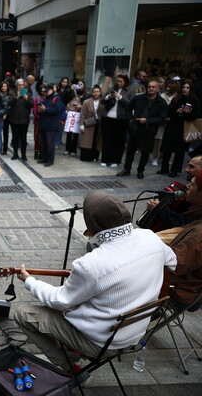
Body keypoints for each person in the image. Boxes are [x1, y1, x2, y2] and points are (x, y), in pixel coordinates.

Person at [13, 191, 177, 377]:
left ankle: (73, 370)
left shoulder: (92, 264)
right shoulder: (149, 237)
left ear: (91, 223)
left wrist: (29, 281)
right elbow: (172, 263)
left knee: (23, 314)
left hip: (101, 343)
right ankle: (70, 350)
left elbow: (59, 300)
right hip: (135, 332)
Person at [117, 81, 168, 179]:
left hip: (149, 130)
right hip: (135, 127)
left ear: (158, 89)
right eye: (149, 87)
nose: (151, 88)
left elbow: (162, 118)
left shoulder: (161, 102)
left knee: (145, 152)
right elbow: (128, 109)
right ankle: (126, 169)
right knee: (131, 150)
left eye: (153, 87)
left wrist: (147, 120)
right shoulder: (138, 98)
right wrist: (131, 120)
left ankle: (140, 171)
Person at [168, 170, 202, 311]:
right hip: (186, 287)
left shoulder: (199, 235)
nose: (187, 187)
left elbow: (173, 265)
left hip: (178, 292)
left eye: (192, 185)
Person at [159, 82, 201, 177]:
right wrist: (176, 111)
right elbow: (169, 111)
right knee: (167, 148)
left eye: (187, 88)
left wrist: (187, 113)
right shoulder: (176, 98)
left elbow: (196, 115)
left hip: (184, 127)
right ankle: (164, 168)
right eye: (183, 87)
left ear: (191, 89)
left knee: (179, 150)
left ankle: (175, 170)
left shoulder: (194, 101)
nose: (185, 89)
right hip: (172, 125)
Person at [100, 75, 131, 167]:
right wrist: (108, 97)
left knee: (118, 141)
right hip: (108, 118)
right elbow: (102, 101)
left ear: (125, 82)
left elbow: (130, 104)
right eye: (117, 81)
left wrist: (120, 97)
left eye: (121, 81)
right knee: (106, 139)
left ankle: (115, 160)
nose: (119, 83)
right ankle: (105, 159)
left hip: (121, 120)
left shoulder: (129, 91)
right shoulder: (111, 89)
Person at [36, 85, 65, 167]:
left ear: (52, 90)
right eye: (44, 91)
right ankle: (44, 158)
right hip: (43, 124)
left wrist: (45, 109)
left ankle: (50, 160)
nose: (45, 93)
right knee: (43, 143)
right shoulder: (45, 99)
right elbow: (40, 110)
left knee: (50, 144)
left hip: (51, 126)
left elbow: (57, 110)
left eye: (47, 91)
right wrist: (39, 110)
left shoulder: (57, 99)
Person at [7, 79, 33, 161]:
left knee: (23, 138)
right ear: (16, 86)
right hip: (14, 119)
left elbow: (31, 105)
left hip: (24, 120)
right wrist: (16, 97)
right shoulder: (12, 93)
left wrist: (26, 99)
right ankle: (15, 154)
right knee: (15, 138)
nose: (21, 86)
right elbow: (9, 103)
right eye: (19, 85)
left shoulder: (27, 93)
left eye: (22, 85)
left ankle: (23, 154)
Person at [78, 85, 103, 162]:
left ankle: (95, 156)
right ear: (92, 93)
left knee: (96, 140)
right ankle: (85, 156)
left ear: (100, 92)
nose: (96, 93)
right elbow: (82, 114)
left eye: (97, 92)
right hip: (88, 123)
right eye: (94, 92)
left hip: (99, 124)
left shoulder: (103, 102)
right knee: (87, 140)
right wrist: (81, 125)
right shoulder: (87, 102)